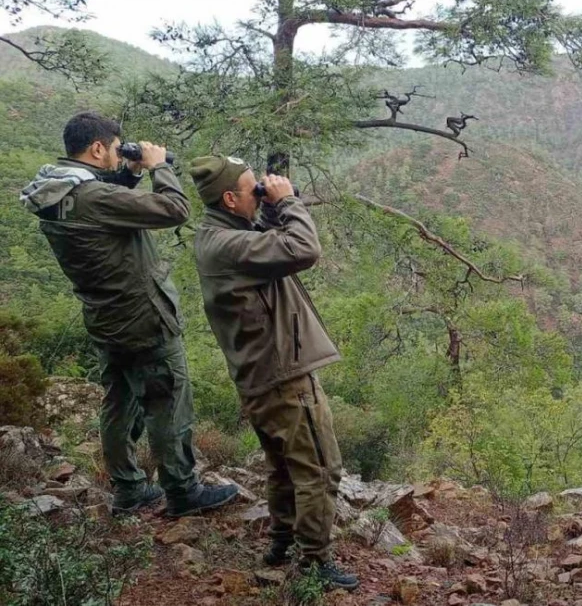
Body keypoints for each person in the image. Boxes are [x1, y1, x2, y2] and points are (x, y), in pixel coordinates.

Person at [19, 112, 237, 517]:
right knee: (167, 398)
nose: (120, 155)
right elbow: (174, 210)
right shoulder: (94, 197)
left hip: (105, 317)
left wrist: (130, 174)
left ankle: (129, 488)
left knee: (119, 401)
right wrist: (156, 168)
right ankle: (183, 491)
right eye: (117, 149)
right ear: (98, 148)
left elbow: (102, 206)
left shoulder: (55, 191)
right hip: (144, 317)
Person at [187, 156, 357, 591]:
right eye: (251, 190)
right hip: (284, 378)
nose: (259, 192)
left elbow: (265, 242)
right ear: (229, 199)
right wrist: (290, 201)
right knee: (320, 469)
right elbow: (303, 248)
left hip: (260, 375)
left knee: (283, 466)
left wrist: (266, 207)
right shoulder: (230, 245)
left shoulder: (217, 234)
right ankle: (315, 563)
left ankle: (281, 542)